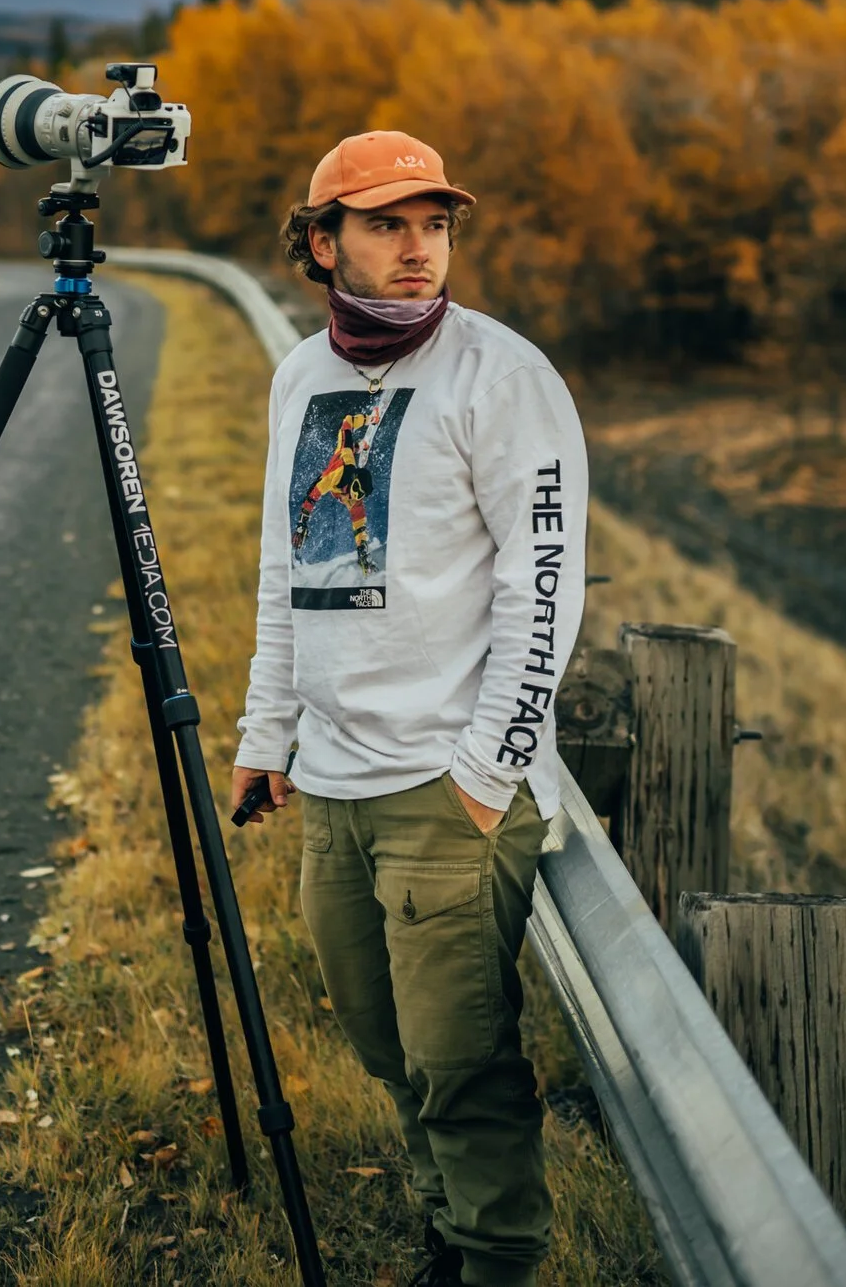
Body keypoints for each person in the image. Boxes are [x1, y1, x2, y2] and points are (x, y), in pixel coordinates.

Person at [230, 130, 588, 1287]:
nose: (418, 248)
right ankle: (443, 1227)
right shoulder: (302, 375)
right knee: (385, 1046)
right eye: (387, 224)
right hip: (332, 783)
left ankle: (491, 1259)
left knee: (461, 1063)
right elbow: (289, 566)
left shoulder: (503, 377)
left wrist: (485, 775)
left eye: (434, 224)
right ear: (322, 240)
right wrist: (265, 734)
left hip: (445, 785)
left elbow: (546, 590)